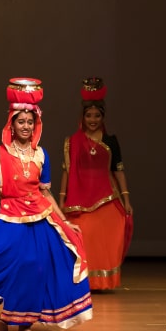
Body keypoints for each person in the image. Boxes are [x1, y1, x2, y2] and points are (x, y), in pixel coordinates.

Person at [0, 78, 92, 331]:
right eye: (21, 121)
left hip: (39, 220)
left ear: (35, 124)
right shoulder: (0, 154)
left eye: (30, 122)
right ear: (11, 125)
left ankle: (26, 324)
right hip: (10, 216)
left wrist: (63, 220)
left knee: (36, 268)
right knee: (2, 263)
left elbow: (45, 192)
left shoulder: (41, 155)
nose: (26, 126)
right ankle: (3, 319)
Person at [59, 77, 133, 290]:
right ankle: (83, 281)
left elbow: (118, 170)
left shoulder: (110, 141)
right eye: (89, 115)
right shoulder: (72, 142)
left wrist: (126, 199)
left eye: (97, 115)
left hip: (107, 197)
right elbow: (67, 172)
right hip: (78, 199)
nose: (93, 119)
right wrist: (62, 200)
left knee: (106, 241)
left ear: (103, 117)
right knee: (85, 239)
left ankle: (101, 283)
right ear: (82, 117)